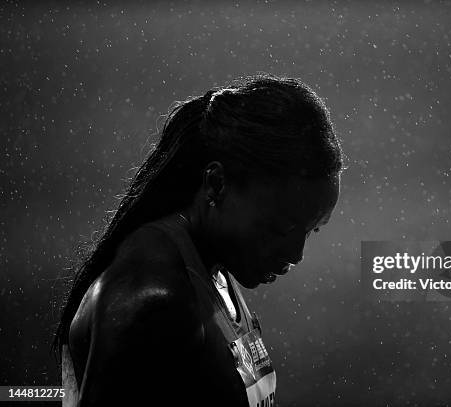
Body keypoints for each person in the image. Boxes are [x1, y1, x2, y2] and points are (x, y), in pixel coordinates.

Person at [53, 74, 343, 406]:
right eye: (280, 228)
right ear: (217, 184)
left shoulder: (211, 269)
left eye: (311, 230)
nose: (296, 253)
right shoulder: (154, 298)